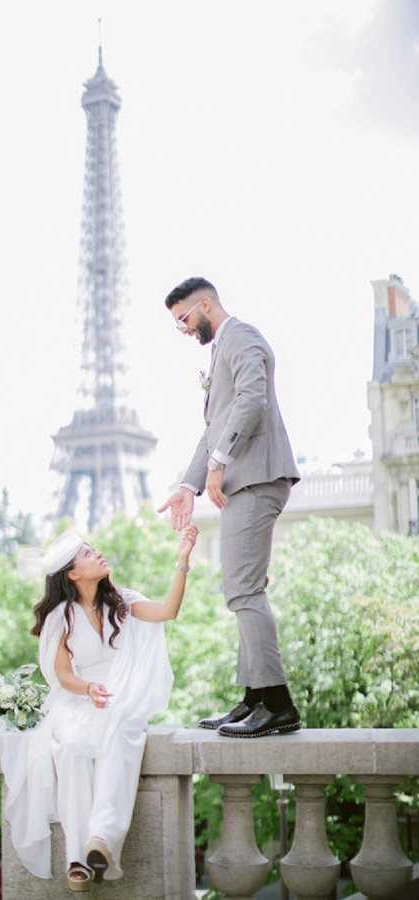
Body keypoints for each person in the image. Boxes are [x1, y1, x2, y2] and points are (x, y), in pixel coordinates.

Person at [0, 525, 198, 893]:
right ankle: (77, 858)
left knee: (122, 728)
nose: (98, 554)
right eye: (88, 554)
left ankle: (102, 840)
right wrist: (88, 688)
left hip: (119, 697)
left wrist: (182, 559)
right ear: (73, 574)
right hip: (78, 697)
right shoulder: (63, 617)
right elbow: (61, 674)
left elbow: (168, 611)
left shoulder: (123, 601)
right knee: (71, 746)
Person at [158, 276, 302, 739]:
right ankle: (254, 698)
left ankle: (277, 704)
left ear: (205, 304)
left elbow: (252, 399)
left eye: (183, 318)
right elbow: (212, 430)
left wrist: (220, 463)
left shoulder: (241, 336)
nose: (181, 329)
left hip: (257, 477)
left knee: (244, 591)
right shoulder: (220, 350)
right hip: (243, 483)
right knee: (238, 590)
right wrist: (189, 483)